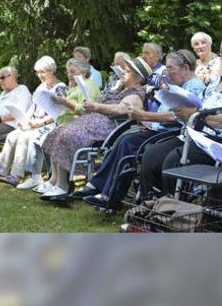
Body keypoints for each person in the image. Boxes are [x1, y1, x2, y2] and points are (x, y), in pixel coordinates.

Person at [138, 31, 222, 198]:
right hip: (195, 136)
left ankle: (174, 213)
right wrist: (182, 108)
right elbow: (196, 105)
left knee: (172, 162)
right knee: (151, 155)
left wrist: (199, 117)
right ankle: (149, 206)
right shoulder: (215, 82)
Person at [75, 50, 206, 208]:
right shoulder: (176, 84)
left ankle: (110, 195)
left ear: (185, 68)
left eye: (170, 68)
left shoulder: (194, 86)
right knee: (124, 140)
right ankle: (99, 185)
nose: (167, 73)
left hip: (173, 131)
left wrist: (144, 116)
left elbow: (176, 116)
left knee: (129, 143)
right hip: (159, 128)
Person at [40, 57, 151, 200]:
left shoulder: (135, 93)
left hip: (106, 127)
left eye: (127, 71)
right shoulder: (119, 87)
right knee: (55, 133)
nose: (123, 72)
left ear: (137, 78)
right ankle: (54, 180)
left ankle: (63, 186)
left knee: (65, 136)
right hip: (91, 122)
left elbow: (121, 109)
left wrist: (97, 107)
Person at [0, 56, 66, 189]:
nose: (39, 75)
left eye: (42, 72)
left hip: (49, 125)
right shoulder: (40, 87)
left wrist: (39, 123)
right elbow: (33, 108)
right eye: (37, 72)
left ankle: (16, 176)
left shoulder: (60, 87)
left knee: (24, 137)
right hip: (34, 123)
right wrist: (24, 121)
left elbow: (59, 114)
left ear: (51, 71)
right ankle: (0, 172)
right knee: (13, 135)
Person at [31, 57, 101, 193]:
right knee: (52, 135)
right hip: (68, 123)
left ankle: (63, 185)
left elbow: (88, 109)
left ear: (84, 71)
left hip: (84, 126)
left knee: (60, 137)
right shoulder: (73, 87)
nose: (70, 75)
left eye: (73, 72)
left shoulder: (89, 85)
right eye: (68, 72)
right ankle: (54, 180)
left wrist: (65, 103)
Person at [142, 42, 169, 113]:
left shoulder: (163, 70)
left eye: (147, 53)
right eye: (143, 53)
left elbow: (166, 92)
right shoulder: (143, 71)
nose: (144, 56)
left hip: (157, 110)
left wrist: (150, 89)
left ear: (157, 56)